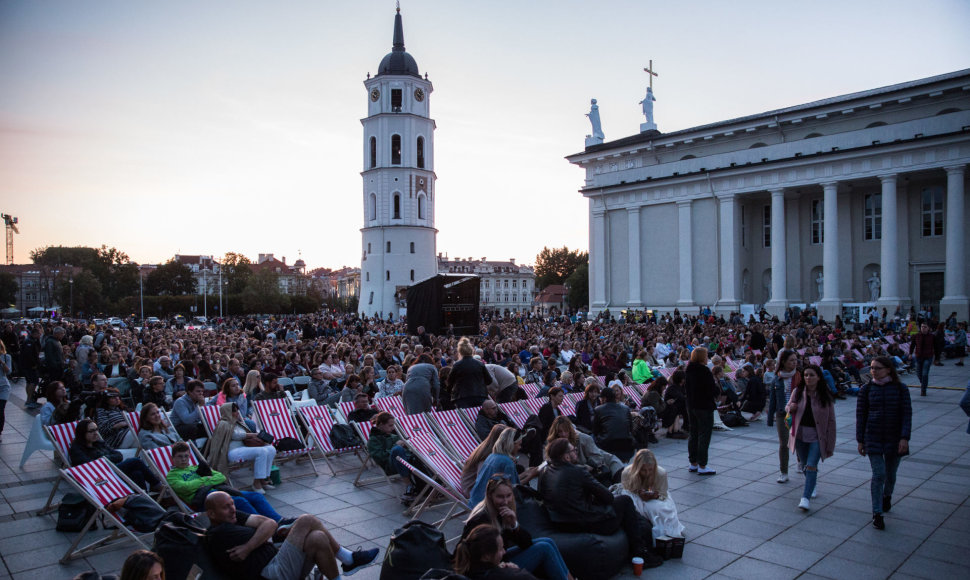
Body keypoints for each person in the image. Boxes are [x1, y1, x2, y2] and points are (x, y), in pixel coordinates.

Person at [538, 438, 661, 567]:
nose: (576, 452)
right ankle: (641, 553)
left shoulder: (545, 472)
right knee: (625, 501)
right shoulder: (578, 471)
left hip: (559, 522)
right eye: (573, 450)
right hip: (584, 522)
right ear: (566, 457)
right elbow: (608, 497)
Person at [203, 491, 378, 580]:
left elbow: (270, 524)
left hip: (277, 560)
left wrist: (250, 546)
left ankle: (344, 568)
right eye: (226, 507)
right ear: (211, 514)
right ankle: (348, 559)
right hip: (270, 574)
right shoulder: (221, 533)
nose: (233, 509)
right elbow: (266, 528)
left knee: (317, 537)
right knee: (306, 520)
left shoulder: (232, 517)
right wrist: (261, 537)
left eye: (232, 504)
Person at [463, 477, 572, 580]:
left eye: (509, 495)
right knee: (544, 548)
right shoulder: (481, 519)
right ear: (490, 496)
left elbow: (526, 543)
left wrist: (514, 524)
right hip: (489, 570)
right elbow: (469, 556)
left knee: (548, 541)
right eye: (500, 496)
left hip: (499, 558)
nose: (505, 501)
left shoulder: (501, 512)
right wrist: (500, 566)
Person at [167, 441, 289, 523]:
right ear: (173, 458)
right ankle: (263, 524)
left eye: (186, 456)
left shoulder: (196, 467)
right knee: (239, 501)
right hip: (204, 499)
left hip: (220, 491)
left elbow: (220, 477)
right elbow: (185, 487)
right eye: (180, 456)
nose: (184, 459)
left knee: (256, 496)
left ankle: (278, 521)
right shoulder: (172, 476)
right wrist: (205, 480)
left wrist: (201, 482)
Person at [857, 356, 912, 530]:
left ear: (888, 369)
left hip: (894, 437)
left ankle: (887, 496)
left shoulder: (901, 389)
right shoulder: (866, 389)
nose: (873, 371)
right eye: (872, 368)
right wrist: (860, 440)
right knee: (878, 474)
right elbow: (861, 416)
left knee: (890, 474)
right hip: (872, 436)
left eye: (877, 368)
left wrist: (905, 438)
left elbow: (906, 415)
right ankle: (877, 512)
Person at [785, 364, 836, 511]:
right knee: (805, 465)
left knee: (812, 465)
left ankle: (805, 498)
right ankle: (811, 482)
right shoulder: (798, 391)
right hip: (799, 433)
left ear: (818, 377)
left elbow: (831, 421)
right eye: (806, 375)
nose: (808, 378)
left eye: (811, 375)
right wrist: (791, 407)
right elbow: (788, 407)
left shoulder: (825, 395)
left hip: (817, 436)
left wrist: (830, 443)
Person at [69, 418, 160, 491]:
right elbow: (91, 466)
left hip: (112, 470)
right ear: (82, 433)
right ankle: (156, 484)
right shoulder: (77, 449)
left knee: (137, 473)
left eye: (97, 430)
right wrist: (105, 460)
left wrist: (104, 458)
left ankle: (145, 502)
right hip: (100, 478)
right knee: (135, 461)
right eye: (92, 431)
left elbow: (119, 455)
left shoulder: (99, 443)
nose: (96, 433)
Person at [613, 449, 684, 540]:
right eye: (643, 470)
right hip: (635, 494)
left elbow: (663, 494)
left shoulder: (661, 473)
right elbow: (627, 490)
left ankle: (664, 533)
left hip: (656, 496)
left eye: (650, 470)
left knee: (658, 508)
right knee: (634, 506)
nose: (647, 473)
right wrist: (639, 492)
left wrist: (655, 496)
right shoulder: (627, 472)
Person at [205, 402, 277, 493]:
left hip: (243, 448)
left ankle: (263, 479)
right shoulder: (223, 424)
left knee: (271, 449)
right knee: (261, 451)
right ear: (227, 412)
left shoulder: (237, 423)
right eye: (234, 411)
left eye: (237, 410)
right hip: (232, 452)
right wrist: (254, 434)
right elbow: (235, 435)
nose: (237, 413)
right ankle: (256, 483)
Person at [468, 428, 538, 507]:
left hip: (475, 502)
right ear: (511, 444)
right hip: (487, 506)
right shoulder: (507, 462)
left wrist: (526, 473)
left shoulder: (492, 456)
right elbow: (512, 489)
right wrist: (531, 475)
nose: (520, 448)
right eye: (519, 445)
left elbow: (506, 481)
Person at [546, 416, 623, 484]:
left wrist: (587, 466)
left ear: (570, 430)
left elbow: (597, 458)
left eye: (566, 431)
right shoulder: (554, 444)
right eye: (560, 432)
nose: (563, 434)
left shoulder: (583, 439)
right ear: (555, 433)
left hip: (609, 468)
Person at [367, 411, 421, 504]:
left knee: (416, 450)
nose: (393, 428)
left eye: (393, 425)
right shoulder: (373, 440)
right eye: (390, 425)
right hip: (390, 465)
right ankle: (409, 485)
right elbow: (380, 458)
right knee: (397, 450)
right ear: (380, 424)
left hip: (405, 461)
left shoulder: (393, 436)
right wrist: (394, 448)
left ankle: (430, 483)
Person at [454, 524, 539, 580]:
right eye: (501, 548)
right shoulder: (516, 576)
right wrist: (516, 571)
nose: (504, 552)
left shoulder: (466, 569)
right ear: (486, 556)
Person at [767, 350, 801, 483]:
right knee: (784, 443)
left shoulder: (800, 376)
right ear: (784, 362)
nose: (794, 362)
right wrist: (770, 417)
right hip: (782, 413)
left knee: (799, 441)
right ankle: (783, 471)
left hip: (798, 413)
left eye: (795, 360)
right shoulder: (777, 378)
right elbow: (773, 399)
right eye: (791, 360)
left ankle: (801, 463)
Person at [685, 347, 718, 475]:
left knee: (693, 433)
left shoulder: (689, 370)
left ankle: (693, 463)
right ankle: (702, 465)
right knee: (704, 434)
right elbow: (711, 389)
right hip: (704, 406)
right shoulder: (704, 371)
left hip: (691, 405)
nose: (707, 358)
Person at [462, 425, 511, 496]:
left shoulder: (486, 448)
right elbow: (483, 481)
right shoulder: (487, 456)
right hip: (475, 491)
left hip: (477, 485)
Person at [592, 387, 635, 462]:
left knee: (591, 437)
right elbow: (630, 428)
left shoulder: (598, 409)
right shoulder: (625, 408)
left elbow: (595, 430)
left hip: (608, 445)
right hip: (627, 445)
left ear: (604, 399)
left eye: (601, 398)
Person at [450, 337, 492, 408]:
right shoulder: (480, 364)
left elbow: (450, 382)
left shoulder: (457, 365)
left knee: (466, 418)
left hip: (462, 397)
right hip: (480, 395)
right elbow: (489, 381)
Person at [912, 322, 934, 396]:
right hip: (919, 356)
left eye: (925, 327)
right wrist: (910, 353)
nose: (923, 328)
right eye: (922, 327)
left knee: (925, 373)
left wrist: (937, 357)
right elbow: (912, 345)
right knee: (918, 373)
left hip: (928, 356)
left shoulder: (932, 336)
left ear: (928, 328)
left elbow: (936, 347)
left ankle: (923, 389)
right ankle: (924, 383)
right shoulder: (917, 336)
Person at [0, 339, 10, 441]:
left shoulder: (6, 357)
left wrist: (2, 363)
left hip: (3, 387)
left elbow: (9, 371)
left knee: (1, 409)